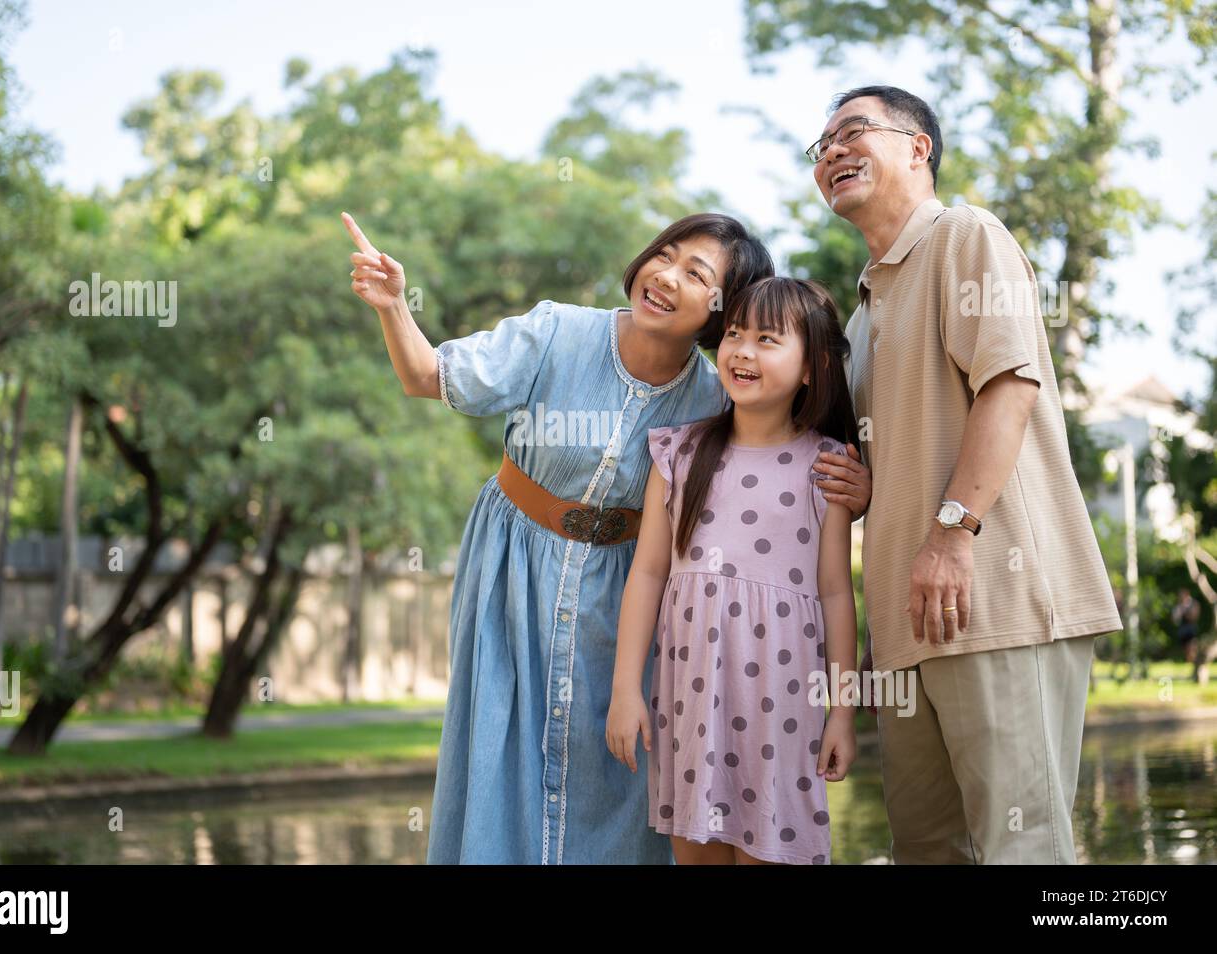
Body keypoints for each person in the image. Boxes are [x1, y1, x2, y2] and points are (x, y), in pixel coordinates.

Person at [343, 210, 872, 864]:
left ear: (717, 309)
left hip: (621, 592)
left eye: (695, 273)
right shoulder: (558, 332)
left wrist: (858, 488)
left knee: (613, 777)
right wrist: (395, 306)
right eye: (665, 254)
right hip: (514, 568)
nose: (665, 275)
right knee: (496, 750)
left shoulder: (715, 405)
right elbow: (427, 377)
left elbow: (777, 467)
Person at [807, 85, 1122, 863]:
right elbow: (910, 450)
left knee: (1023, 851)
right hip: (909, 632)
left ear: (918, 147)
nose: (832, 152)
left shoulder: (966, 237)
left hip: (996, 600)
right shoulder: (860, 313)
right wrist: (873, 491)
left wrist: (951, 535)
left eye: (852, 132)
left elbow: (1009, 386)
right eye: (820, 148)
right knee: (928, 852)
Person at [606, 277, 861, 864]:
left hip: (783, 709)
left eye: (767, 339)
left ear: (810, 367)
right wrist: (626, 690)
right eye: (735, 334)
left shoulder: (829, 466)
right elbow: (647, 574)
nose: (742, 351)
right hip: (689, 706)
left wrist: (842, 713)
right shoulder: (680, 452)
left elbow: (836, 596)